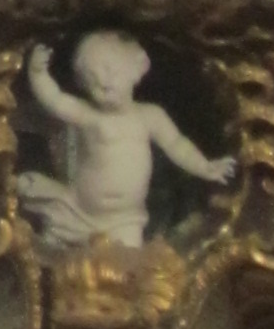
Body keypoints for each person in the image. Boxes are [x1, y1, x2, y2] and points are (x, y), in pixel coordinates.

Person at [21, 31, 233, 251]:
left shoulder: (149, 116)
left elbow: (177, 145)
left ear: (137, 69)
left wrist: (204, 166)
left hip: (126, 220)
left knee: (128, 261)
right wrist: (37, 73)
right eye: (92, 79)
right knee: (61, 251)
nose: (103, 82)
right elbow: (54, 100)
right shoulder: (88, 115)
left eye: (111, 71)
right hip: (82, 211)